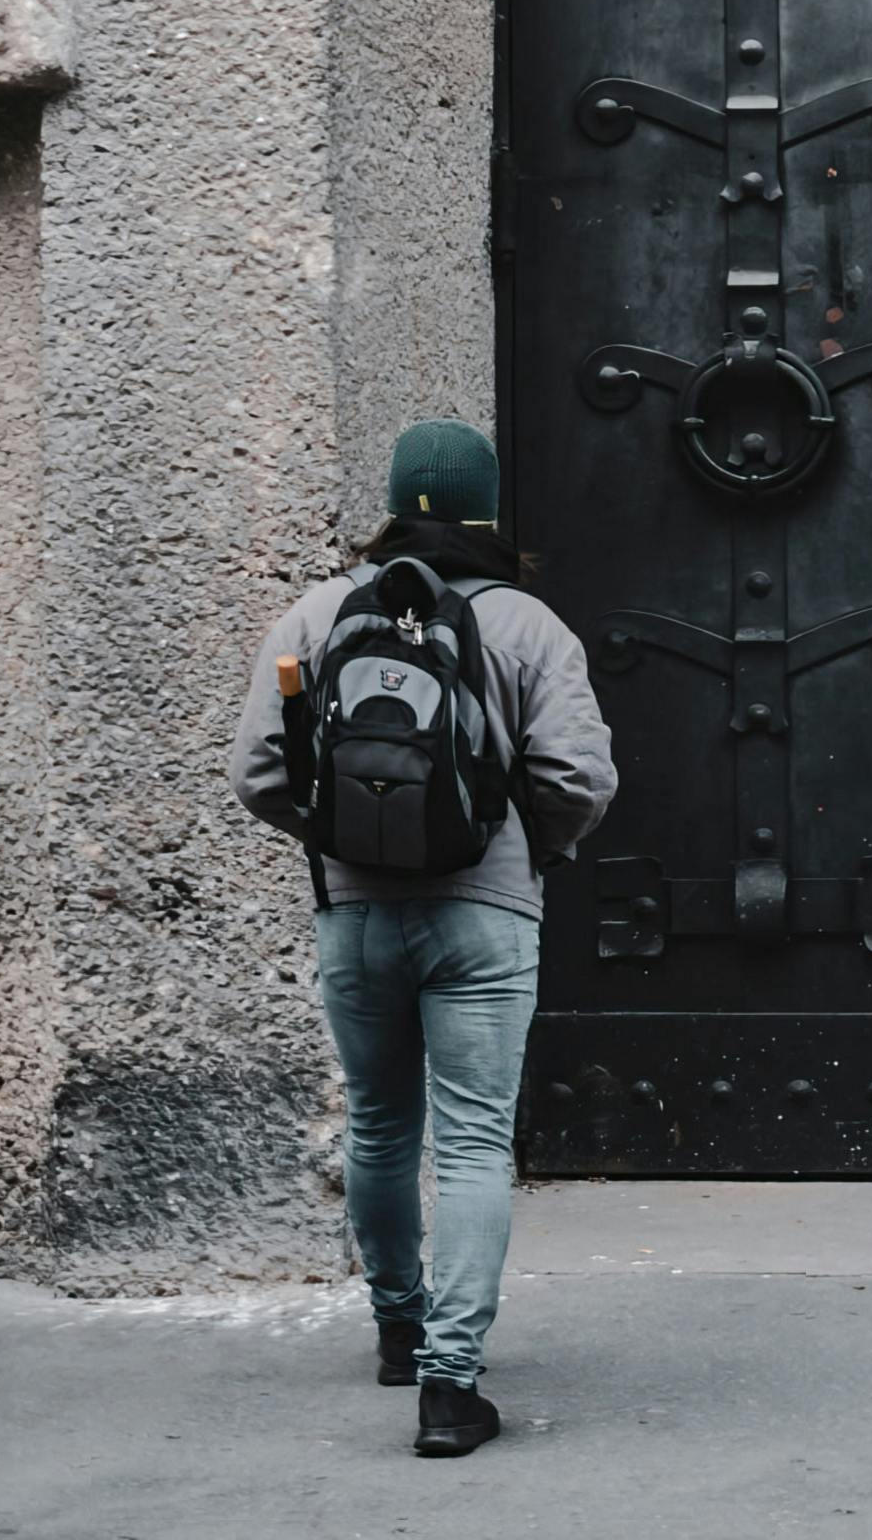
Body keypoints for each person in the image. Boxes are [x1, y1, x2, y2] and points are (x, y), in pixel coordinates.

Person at [235, 421, 616, 1460]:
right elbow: (580, 776)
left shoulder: (317, 615)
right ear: (491, 510)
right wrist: (527, 850)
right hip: (486, 917)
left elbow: (258, 773)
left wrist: (341, 843)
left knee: (379, 1124)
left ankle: (398, 1328)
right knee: (476, 1140)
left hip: (356, 917)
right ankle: (452, 1385)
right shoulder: (530, 626)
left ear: (392, 499)